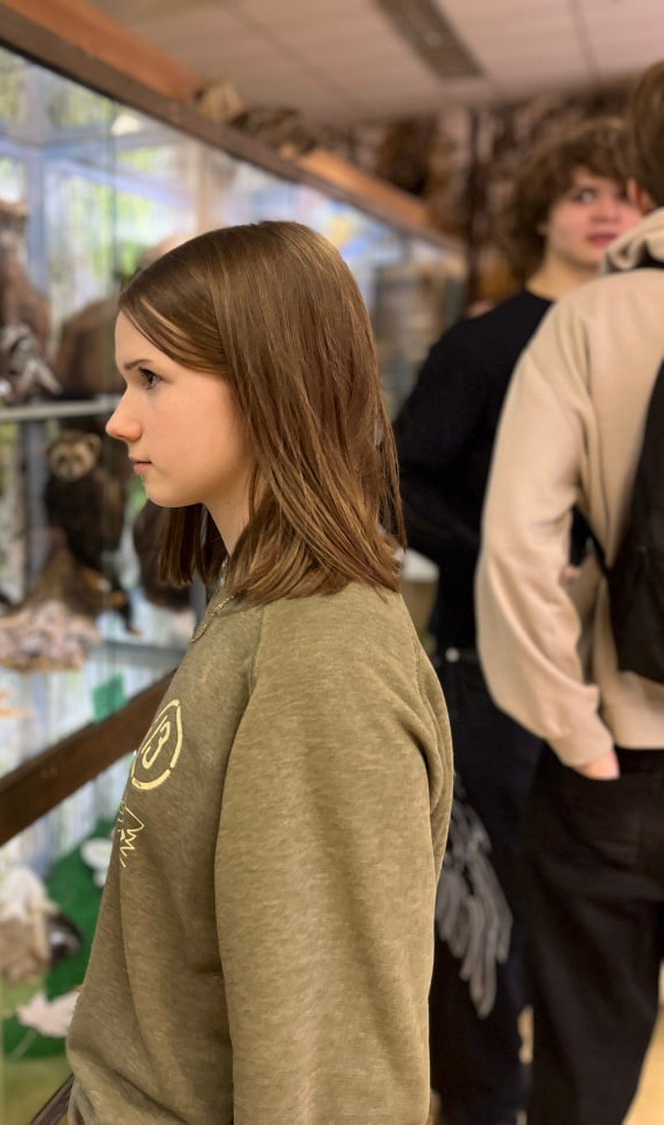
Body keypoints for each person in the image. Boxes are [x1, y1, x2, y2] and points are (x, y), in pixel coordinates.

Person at [65, 221, 453, 1124]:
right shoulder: (260, 600)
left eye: (151, 378)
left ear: (268, 378)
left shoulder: (323, 663)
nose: (120, 419)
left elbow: (330, 1080)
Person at [394, 118, 640, 1125]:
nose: (608, 212)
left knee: (573, 916)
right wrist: (506, 559)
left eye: (626, 193)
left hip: (609, 685)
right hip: (484, 667)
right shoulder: (484, 344)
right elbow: (398, 482)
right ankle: (481, 1101)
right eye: (585, 193)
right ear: (542, 210)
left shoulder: (637, 330)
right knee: (480, 903)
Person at [477, 61, 664, 1125]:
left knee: (583, 1077)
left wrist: (578, 733)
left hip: (619, 764)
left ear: (642, 175)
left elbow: (517, 549)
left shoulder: (590, 321)